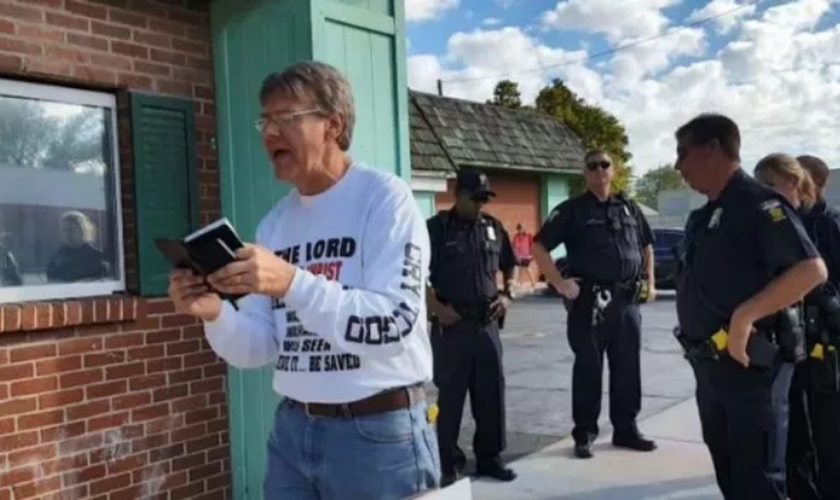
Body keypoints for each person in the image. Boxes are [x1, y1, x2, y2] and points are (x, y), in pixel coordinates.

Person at [167, 61, 439, 500]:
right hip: (293, 431)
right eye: (264, 120)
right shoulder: (275, 224)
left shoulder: (385, 199)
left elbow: (394, 325)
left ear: (332, 124)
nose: (268, 133)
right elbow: (261, 346)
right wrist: (214, 314)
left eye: (285, 118)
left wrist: (293, 282)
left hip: (376, 436)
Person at [671, 113, 827, 500]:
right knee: (728, 470)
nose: (678, 166)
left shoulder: (758, 203)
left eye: (683, 153)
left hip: (751, 369)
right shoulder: (704, 215)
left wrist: (745, 316)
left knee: (758, 479)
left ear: (713, 150)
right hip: (711, 368)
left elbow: (811, 270)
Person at [532, 149, 657, 460]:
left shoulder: (629, 207)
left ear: (613, 171)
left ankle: (626, 429)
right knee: (589, 367)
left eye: (605, 165)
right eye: (593, 166)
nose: (600, 170)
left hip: (627, 301)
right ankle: (585, 434)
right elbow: (539, 246)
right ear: (585, 174)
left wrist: (650, 282)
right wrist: (560, 283)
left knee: (628, 368)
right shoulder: (572, 210)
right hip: (590, 302)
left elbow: (646, 245)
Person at [426, 170, 517, 487]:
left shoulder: (492, 228)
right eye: (475, 198)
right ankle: (448, 462)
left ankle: (490, 458)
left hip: (487, 323)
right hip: (452, 326)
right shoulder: (436, 229)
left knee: (491, 393)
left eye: (484, 198)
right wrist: (436, 308)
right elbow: (413, 276)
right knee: (450, 397)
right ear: (458, 195)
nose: (480, 204)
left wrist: (508, 294)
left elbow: (511, 263)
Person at [753, 153, 822, 500]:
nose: (761, 194)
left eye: (767, 185)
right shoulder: (774, 222)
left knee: (814, 433)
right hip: (789, 343)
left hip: (822, 345)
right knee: (788, 430)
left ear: (791, 183)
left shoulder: (820, 223)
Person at [797, 154, 840, 500]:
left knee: (827, 426)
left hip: (826, 342)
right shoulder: (784, 222)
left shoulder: (831, 225)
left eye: (800, 179)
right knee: (796, 425)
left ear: (818, 184)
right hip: (789, 341)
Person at [46, 211, 108, 282]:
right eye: (64, 229)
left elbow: (102, 281)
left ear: (82, 230)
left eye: (71, 230)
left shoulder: (96, 257)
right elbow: (51, 280)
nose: (66, 234)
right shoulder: (57, 258)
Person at [512, 223, 536, 288]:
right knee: (521, 269)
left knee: (527, 268)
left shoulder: (528, 236)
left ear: (523, 229)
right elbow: (514, 246)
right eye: (518, 229)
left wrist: (531, 254)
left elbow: (532, 245)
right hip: (519, 256)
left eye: (520, 229)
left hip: (526, 255)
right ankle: (521, 282)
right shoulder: (516, 236)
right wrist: (515, 254)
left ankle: (533, 282)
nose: (519, 230)